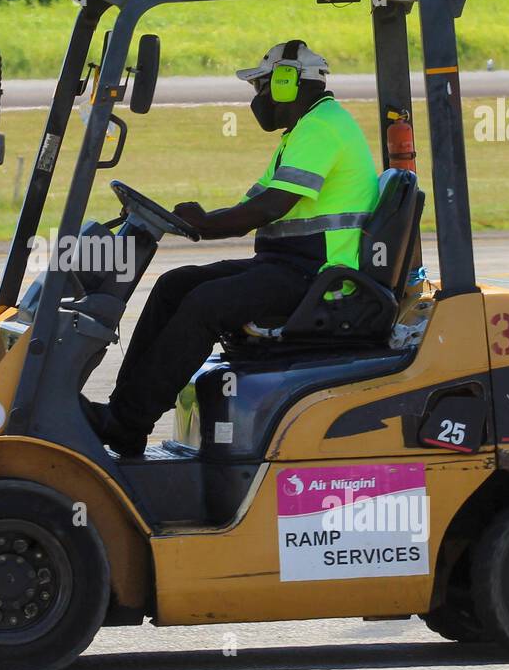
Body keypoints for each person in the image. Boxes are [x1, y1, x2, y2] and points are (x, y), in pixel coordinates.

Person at [87, 39, 380, 457]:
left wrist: (205, 224)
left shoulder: (323, 128)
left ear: (285, 82)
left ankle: (127, 420)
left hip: (317, 275)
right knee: (175, 285)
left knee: (205, 304)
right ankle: (125, 419)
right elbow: (252, 205)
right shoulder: (305, 130)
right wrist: (201, 219)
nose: (257, 99)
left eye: (261, 87)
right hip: (290, 265)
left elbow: (269, 208)